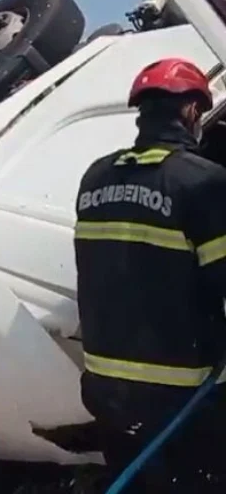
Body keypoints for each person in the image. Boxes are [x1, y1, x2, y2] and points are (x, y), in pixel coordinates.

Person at [74, 58, 226, 492]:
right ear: (193, 112)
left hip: (105, 386)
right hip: (181, 391)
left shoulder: (95, 177)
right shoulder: (203, 182)